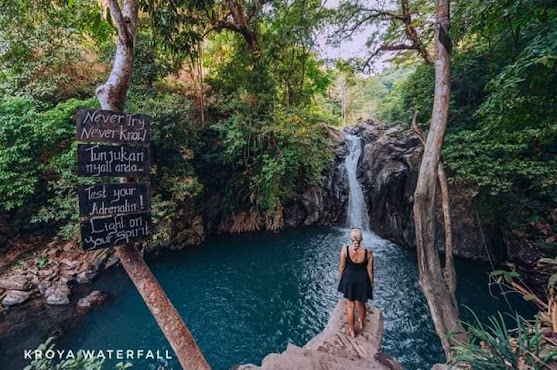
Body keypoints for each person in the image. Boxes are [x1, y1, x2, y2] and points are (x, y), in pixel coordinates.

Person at [337, 227, 374, 337]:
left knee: (350, 305)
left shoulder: (345, 249)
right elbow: (370, 270)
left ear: (351, 239)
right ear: (361, 239)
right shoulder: (368, 253)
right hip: (362, 280)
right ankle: (361, 323)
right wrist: (371, 283)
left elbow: (342, 266)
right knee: (361, 303)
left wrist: (341, 278)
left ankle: (352, 330)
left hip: (349, 279)